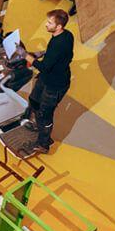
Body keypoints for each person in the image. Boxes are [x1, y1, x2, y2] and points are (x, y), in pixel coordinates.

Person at [21, 9, 74, 155]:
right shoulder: (66, 35)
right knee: (34, 101)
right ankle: (40, 128)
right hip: (47, 78)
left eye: (49, 23)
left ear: (58, 26)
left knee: (45, 114)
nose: (46, 24)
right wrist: (43, 54)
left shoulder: (59, 43)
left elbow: (44, 67)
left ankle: (43, 143)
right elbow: (65, 56)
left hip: (54, 85)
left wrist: (26, 56)